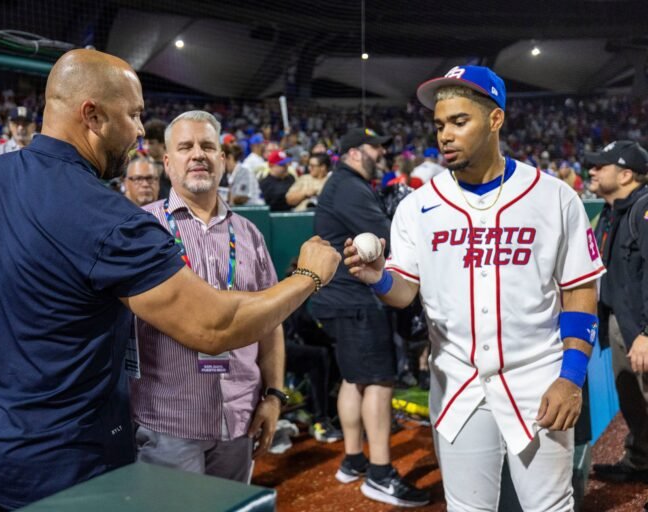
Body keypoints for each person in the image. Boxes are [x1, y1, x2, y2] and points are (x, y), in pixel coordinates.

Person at [0, 48, 340, 511]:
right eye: (135, 114)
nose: (141, 130)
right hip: (73, 476)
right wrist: (308, 276)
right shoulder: (109, 218)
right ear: (94, 115)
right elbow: (214, 328)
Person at [345, 65, 605, 511]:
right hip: (458, 385)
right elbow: (405, 291)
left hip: (538, 380)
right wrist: (378, 279)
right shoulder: (416, 206)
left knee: (550, 507)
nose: (445, 134)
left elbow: (579, 291)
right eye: (440, 124)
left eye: (459, 121)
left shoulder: (554, 196)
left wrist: (571, 378)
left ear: (495, 120)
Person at [130, 111, 285, 482]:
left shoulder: (249, 234)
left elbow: (271, 324)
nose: (198, 154)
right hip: (168, 420)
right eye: (185, 147)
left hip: (239, 417)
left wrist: (274, 396)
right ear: (167, 162)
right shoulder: (141, 229)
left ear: (221, 160)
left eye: (208, 146)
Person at [313, 127, 430, 507]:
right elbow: (385, 235)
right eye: (374, 147)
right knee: (379, 381)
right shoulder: (348, 186)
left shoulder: (345, 184)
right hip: (357, 299)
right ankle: (380, 473)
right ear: (351, 153)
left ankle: (354, 459)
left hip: (342, 298)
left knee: (354, 379)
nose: (380, 153)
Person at [586, 140, 648, 484]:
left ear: (626, 174)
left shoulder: (644, 209)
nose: (592, 170)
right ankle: (640, 460)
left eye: (600, 165)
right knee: (633, 401)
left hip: (642, 329)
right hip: (621, 323)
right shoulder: (612, 212)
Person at [142, 118, 171, 199]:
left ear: (163, 143)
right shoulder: (141, 165)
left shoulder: (175, 166)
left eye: (151, 143)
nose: (146, 147)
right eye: (144, 143)